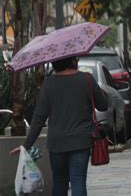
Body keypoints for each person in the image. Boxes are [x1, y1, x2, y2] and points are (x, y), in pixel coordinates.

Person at [10, 56, 108, 196]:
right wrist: (101, 93)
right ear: (73, 61)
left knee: (60, 181)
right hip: (81, 141)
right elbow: (103, 106)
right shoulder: (87, 79)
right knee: (78, 180)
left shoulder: (48, 84)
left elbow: (39, 118)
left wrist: (26, 145)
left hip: (57, 143)